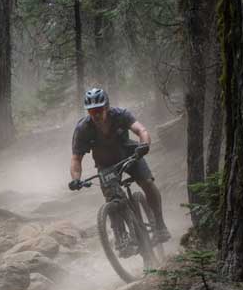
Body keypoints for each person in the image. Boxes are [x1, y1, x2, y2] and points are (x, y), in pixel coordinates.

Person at [69, 86, 171, 246]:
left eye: (99, 109)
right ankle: (122, 238)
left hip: (131, 156)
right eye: (91, 111)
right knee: (113, 198)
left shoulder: (120, 115)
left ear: (107, 107)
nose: (95, 114)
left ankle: (160, 226)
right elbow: (76, 159)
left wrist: (144, 145)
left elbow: (141, 130)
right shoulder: (83, 128)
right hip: (106, 165)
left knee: (147, 183)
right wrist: (76, 179)